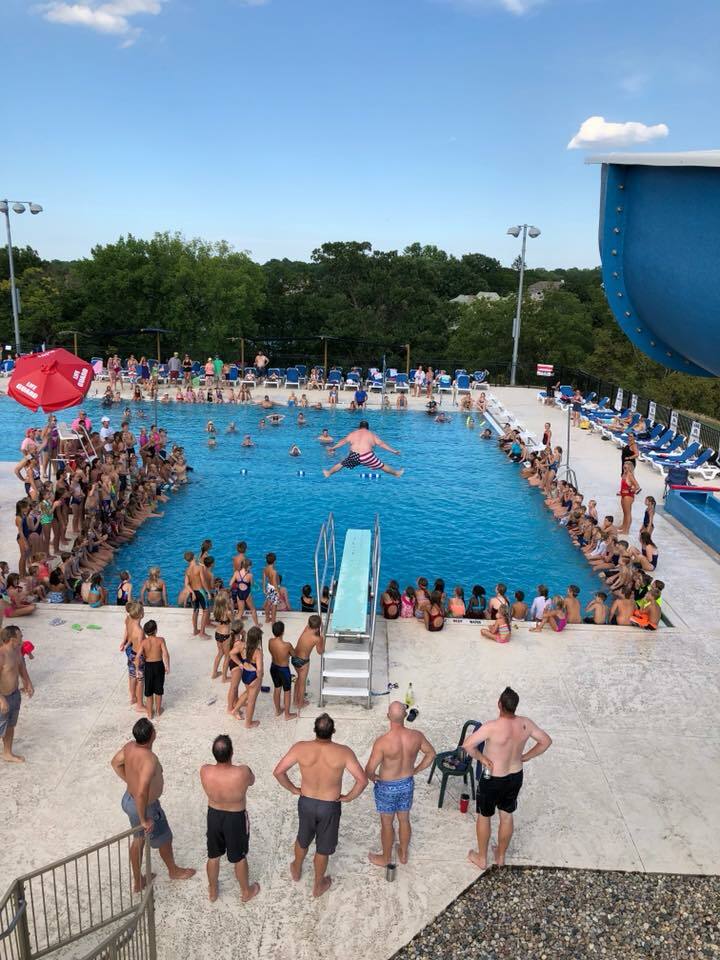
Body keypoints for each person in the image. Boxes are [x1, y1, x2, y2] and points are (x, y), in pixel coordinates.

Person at [273, 713, 368, 898]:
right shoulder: (344, 752)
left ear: (314, 730)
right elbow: (362, 780)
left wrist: (293, 789)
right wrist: (348, 797)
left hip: (306, 802)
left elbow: (278, 772)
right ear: (333, 731)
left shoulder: (300, 748)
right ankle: (318, 885)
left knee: (303, 838)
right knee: (323, 848)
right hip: (329, 806)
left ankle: (296, 868)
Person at [463, 687, 552, 870]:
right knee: (506, 815)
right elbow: (546, 741)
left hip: (493, 777)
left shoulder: (491, 727)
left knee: (484, 816)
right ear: (515, 706)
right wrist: (526, 756)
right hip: (515, 776)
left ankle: (482, 858)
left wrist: (482, 759)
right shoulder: (526, 724)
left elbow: (468, 745)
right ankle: (501, 856)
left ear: (499, 705)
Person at [111, 718, 195, 891]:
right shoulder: (149, 760)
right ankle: (173, 871)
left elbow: (115, 763)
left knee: (138, 839)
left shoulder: (129, 747)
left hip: (129, 800)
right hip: (146, 807)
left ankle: (138, 881)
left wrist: (130, 782)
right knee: (164, 837)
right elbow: (142, 792)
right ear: (152, 736)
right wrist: (144, 819)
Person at [364, 701, 435, 867]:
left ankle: (386, 858)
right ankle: (403, 853)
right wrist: (415, 770)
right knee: (404, 819)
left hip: (386, 787)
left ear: (388, 716)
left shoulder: (382, 742)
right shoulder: (416, 736)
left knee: (387, 823)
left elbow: (369, 769)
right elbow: (431, 754)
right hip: (406, 783)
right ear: (405, 715)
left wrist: (373, 777)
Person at [199, 735, 259, 903]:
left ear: (214, 753)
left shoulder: (205, 770)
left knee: (213, 855)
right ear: (232, 752)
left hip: (214, 815)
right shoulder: (243, 772)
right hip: (235, 818)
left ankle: (212, 890)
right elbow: (252, 781)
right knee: (239, 857)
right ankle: (246, 891)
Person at [323, 420, 403, 479]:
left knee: (341, 464)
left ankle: (328, 473)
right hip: (367, 456)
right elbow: (382, 444)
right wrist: (394, 451)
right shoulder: (371, 434)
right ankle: (396, 473)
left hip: (354, 455)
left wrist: (332, 448)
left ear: (359, 427)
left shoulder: (353, 433)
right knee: (382, 466)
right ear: (368, 428)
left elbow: (343, 442)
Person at [0, 625, 34, 762]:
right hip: (2, 697)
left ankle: (7, 753)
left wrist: (28, 683)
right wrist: (1, 700)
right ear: (12, 639)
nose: (22, 638)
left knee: (10, 725)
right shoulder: (1, 655)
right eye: (20, 636)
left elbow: (21, 667)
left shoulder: (17, 651)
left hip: (14, 695)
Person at [137, 620, 170, 720]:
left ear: (145, 632)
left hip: (148, 667)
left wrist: (137, 669)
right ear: (156, 630)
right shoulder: (161, 640)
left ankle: (150, 713)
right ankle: (158, 711)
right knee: (159, 690)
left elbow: (137, 657)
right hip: (159, 666)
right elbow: (165, 653)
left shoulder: (143, 642)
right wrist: (167, 665)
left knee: (149, 691)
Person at [291, 614, 324, 711]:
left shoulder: (306, 629)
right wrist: (322, 638)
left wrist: (318, 624)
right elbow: (320, 651)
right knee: (302, 683)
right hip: (303, 662)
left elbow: (313, 623)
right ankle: (300, 703)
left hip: (294, 657)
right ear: (318, 627)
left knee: (298, 680)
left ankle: (295, 700)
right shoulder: (317, 638)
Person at [269, 621, 297, 720]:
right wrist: (287, 654)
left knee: (277, 688)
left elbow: (272, 651)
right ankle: (287, 715)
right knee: (287, 691)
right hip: (283, 670)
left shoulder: (270, 641)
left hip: (273, 667)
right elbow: (294, 654)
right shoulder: (287, 645)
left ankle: (278, 710)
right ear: (283, 632)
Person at [617, 461, 641, 534]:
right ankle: (623, 526)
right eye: (624, 467)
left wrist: (630, 490)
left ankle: (626, 530)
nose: (624, 468)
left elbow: (637, 486)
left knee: (628, 513)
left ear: (629, 468)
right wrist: (620, 492)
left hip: (628, 496)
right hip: (623, 495)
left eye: (626, 467)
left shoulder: (630, 475)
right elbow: (624, 486)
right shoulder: (624, 474)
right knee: (624, 513)